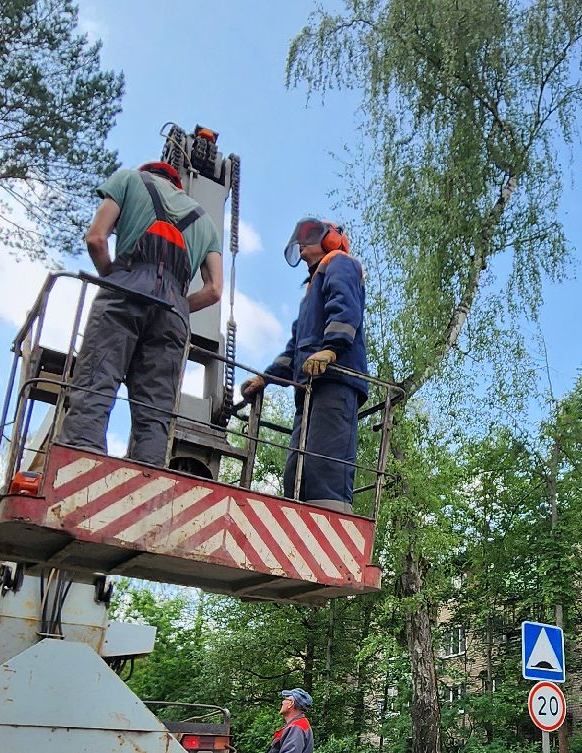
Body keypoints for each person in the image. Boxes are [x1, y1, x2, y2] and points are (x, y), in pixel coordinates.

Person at [58, 160, 223, 467]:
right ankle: (148, 475)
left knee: (97, 378)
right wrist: (180, 305)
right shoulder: (206, 221)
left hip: (125, 288)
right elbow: (214, 290)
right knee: (156, 408)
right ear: (177, 184)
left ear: (149, 172)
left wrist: (113, 277)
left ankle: (81, 461)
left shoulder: (129, 180)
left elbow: (96, 238)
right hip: (173, 311)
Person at [239, 217, 366, 512]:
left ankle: (333, 524)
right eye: (300, 239)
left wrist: (331, 350)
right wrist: (266, 378)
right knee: (297, 470)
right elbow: (296, 346)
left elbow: (346, 309)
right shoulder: (311, 290)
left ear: (331, 238)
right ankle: (297, 517)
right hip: (309, 387)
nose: (302, 244)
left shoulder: (340, 263)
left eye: (310, 236)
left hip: (336, 381)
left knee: (326, 465)